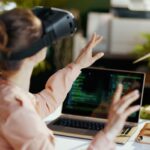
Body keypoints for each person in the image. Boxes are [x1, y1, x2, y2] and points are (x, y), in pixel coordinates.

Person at [0, 8, 140, 150]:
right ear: (32, 54)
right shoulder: (18, 112)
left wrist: (77, 66)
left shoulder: (8, 94)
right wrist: (109, 133)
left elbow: (42, 104)